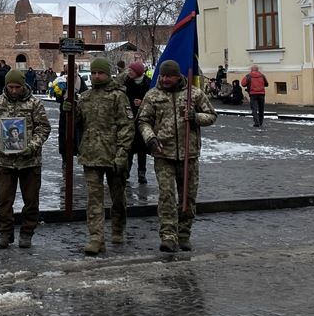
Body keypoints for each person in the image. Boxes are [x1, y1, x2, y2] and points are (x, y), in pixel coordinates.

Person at [138, 59, 218, 253]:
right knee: (166, 196)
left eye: (169, 76)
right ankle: (168, 236)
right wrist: (150, 138)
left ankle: (183, 234)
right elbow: (143, 120)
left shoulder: (194, 94)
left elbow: (212, 115)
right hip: (163, 153)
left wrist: (196, 117)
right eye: (163, 75)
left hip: (188, 154)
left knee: (188, 197)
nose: (165, 79)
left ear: (177, 76)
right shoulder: (153, 95)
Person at [0, 69, 50, 249]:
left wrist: (32, 146)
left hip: (30, 161)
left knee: (31, 200)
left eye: (17, 87)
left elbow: (43, 128)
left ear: (23, 86)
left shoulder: (34, 104)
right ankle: (5, 233)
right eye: (10, 87)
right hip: (4, 161)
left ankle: (27, 233)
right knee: (4, 199)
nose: (14, 91)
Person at [72, 58, 133, 255]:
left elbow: (127, 127)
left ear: (108, 74)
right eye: (94, 73)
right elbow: (78, 122)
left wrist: (122, 154)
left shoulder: (118, 97)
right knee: (94, 200)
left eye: (101, 73)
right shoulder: (86, 97)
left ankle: (117, 228)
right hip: (91, 155)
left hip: (114, 155)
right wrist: (70, 110)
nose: (97, 76)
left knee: (117, 198)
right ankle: (96, 238)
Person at [118, 61, 151, 184]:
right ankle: (126, 173)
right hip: (129, 120)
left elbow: (153, 101)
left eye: (131, 70)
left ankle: (141, 174)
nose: (129, 72)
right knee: (129, 149)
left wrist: (142, 103)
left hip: (143, 121)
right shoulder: (127, 82)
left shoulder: (148, 83)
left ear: (138, 72)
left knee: (142, 150)